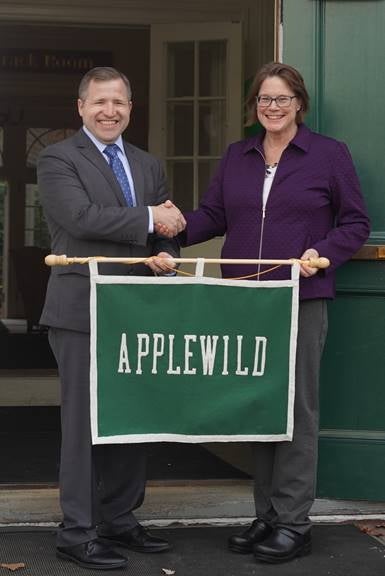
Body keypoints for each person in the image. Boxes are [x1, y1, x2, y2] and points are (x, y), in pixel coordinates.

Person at [172, 61, 370, 563]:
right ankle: (267, 514)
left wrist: (322, 252)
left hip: (300, 298)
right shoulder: (238, 155)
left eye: (282, 99)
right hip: (243, 299)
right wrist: (168, 235)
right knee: (257, 408)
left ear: (299, 103)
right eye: (264, 99)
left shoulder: (328, 155)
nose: (273, 107)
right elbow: (213, 216)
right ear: (254, 105)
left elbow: (355, 222)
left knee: (296, 412)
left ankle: (295, 523)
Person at [37, 66, 185, 570]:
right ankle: (77, 532)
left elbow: (165, 233)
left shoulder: (148, 164)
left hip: (138, 309)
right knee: (82, 425)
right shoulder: (58, 158)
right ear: (81, 107)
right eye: (99, 102)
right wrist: (151, 219)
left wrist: (167, 249)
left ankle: (119, 518)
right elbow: (79, 218)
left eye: (119, 102)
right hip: (80, 309)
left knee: (132, 420)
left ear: (130, 108)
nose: (110, 111)